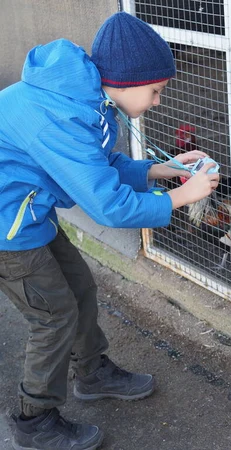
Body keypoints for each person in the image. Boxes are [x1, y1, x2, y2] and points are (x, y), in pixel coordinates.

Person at [0, 12, 219, 450]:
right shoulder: (60, 116)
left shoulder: (84, 97)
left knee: (79, 288)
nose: (158, 101)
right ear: (125, 81)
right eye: (156, 91)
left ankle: (92, 372)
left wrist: (164, 170)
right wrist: (181, 197)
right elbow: (108, 206)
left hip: (27, 213)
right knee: (53, 315)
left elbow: (99, 165)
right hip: (8, 229)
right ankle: (33, 418)